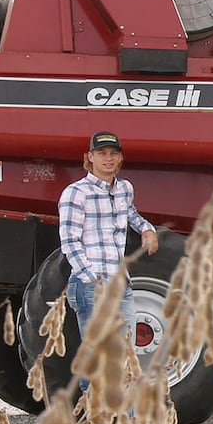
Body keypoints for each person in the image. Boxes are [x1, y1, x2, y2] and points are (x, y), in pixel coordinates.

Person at [58, 131, 159, 356]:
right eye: (101, 153)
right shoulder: (76, 193)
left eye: (114, 153)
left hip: (120, 282)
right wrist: (90, 277)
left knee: (125, 352)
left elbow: (131, 214)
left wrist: (148, 230)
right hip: (91, 283)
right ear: (90, 157)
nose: (108, 158)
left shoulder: (124, 189)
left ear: (120, 158)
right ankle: (91, 394)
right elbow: (69, 241)